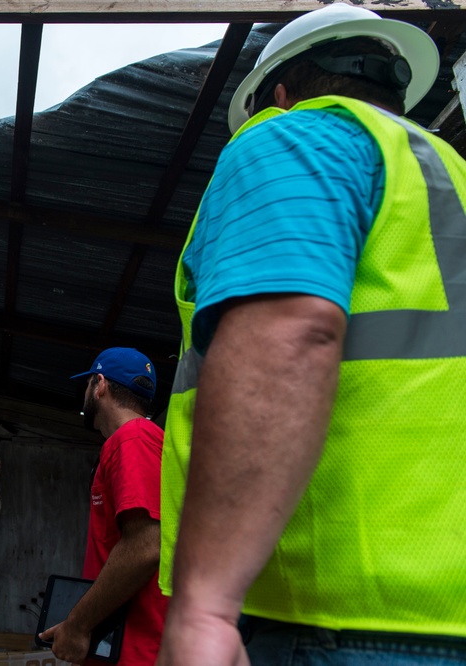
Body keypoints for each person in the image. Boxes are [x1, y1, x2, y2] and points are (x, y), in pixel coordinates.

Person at [157, 5, 466, 664]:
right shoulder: (449, 181)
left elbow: (291, 330)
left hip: (347, 612)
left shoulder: (299, 137)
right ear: (396, 91)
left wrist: (206, 606)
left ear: (278, 92)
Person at [39, 348, 168, 666]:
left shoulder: (133, 439)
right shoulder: (137, 442)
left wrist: (78, 625)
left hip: (137, 653)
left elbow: (148, 545)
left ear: (99, 385)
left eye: (86, 386)